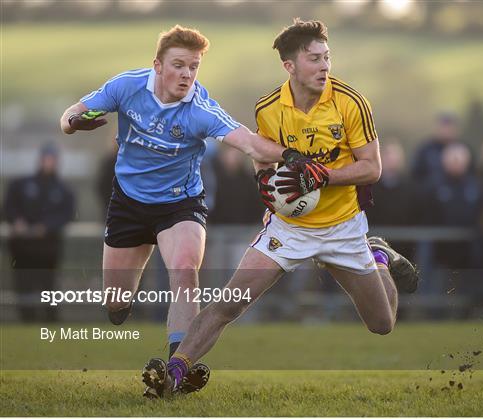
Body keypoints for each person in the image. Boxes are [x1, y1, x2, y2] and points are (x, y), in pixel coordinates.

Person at [141, 19, 418, 399]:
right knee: (228, 305)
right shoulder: (269, 108)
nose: (324, 66)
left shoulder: (351, 103)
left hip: (343, 227)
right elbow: (262, 159)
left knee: (382, 324)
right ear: (290, 66)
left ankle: (378, 256)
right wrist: (263, 183)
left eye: (327, 57)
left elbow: (372, 168)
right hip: (287, 228)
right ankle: (173, 373)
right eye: (314, 59)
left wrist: (320, 177)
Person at [59, 24, 319, 396]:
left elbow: (249, 143)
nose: (186, 74)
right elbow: (71, 114)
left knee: (184, 269)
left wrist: (294, 156)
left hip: (181, 204)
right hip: (129, 204)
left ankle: (174, 370)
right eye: (179, 65)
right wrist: (72, 124)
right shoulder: (127, 86)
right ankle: (123, 308)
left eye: (194, 67)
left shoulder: (199, 109)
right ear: (158, 65)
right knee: (116, 305)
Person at [4, 143, 75, 322]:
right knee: (23, 284)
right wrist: (17, 221)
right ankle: (27, 319)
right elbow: (8, 207)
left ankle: (50, 319)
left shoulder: (63, 190)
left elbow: (66, 214)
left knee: (48, 285)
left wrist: (46, 227)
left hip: (48, 247)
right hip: (22, 247)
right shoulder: (21, 184)